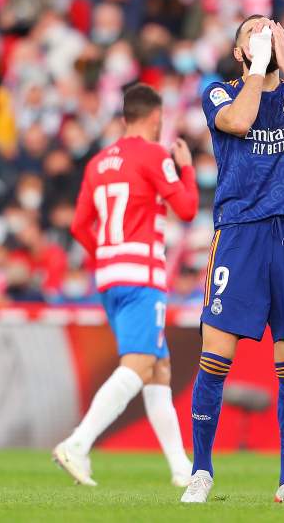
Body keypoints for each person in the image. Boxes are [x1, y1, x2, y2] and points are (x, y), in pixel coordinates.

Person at [181, 15, 284, 505]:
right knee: (216, 357)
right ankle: (201, 471)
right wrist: (259, 68)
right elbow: (239, 122)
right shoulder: (219, 91)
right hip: (240, 235)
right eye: (255, 33)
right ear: (239, 50)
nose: (265, 37)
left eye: (272, 31)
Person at [53, 84, 199, 488]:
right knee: (137, 365)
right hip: (142, 276)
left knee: (158, 368)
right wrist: (185, 167)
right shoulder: (154, 154)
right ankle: (77, 444)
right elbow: (186, 209)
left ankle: (180, 468)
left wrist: (106, 255)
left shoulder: (98, 162)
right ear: (156, 118)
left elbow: (79, 226)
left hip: (109, 276)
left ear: (123, 119)